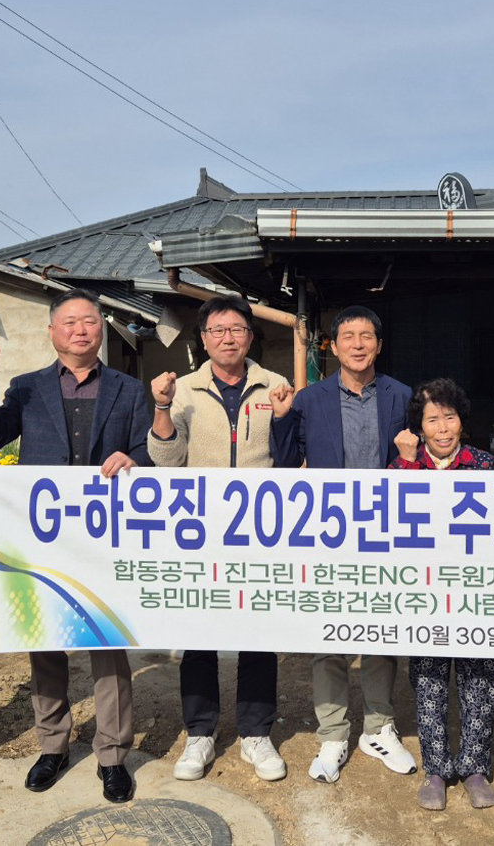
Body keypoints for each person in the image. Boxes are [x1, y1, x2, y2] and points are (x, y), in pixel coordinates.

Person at [0, 288, 151, 804]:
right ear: (52, 332)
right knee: (45, 638)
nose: (80, 330)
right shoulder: (26, 388)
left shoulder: (128, 389)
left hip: (104, 534)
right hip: (44, 535)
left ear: (101, 329)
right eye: (69, 322)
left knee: (108, 642)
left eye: (89, 321)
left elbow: (146, 449)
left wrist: (134, 459)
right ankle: (53, 745)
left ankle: (112, 755)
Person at [268, 305, 418, 783]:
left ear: (379, 345)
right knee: (329, 635)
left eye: (366, 336)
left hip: (385, 534)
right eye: (348, 336)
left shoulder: (401, 395)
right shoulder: (310, 399)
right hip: (328, 534)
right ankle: (332, 733)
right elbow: (286, 462)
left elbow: (417, 461)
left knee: (381, 633)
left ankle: (379, 727)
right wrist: (281, 418)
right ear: (332, 346)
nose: (357, 344)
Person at [146, 295, 289, 783]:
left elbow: (289, 457)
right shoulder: (183, 389)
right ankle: (200, 732)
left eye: (237, 329)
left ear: (250, 336)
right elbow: (167, 460)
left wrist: (286, 417)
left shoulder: (275, 385)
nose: (228, 338)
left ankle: (256, 733)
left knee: (258, 633)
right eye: (218, 330)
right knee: (199, 632)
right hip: (200, 531)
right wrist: (162, 407)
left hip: (259, 531)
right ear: (203, 339)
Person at [389, 378, 494, 811]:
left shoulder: (487, 466)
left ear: (461, 421)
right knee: (429, 680)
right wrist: (407, 464)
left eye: (449, 418)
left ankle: (474, 767)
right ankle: (435, 769)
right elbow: (390, 519)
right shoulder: (402, 466)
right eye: (432, 419)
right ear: (418, 426)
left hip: (476, 593)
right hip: (425, 595)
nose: (442, 428)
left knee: (481, 680)